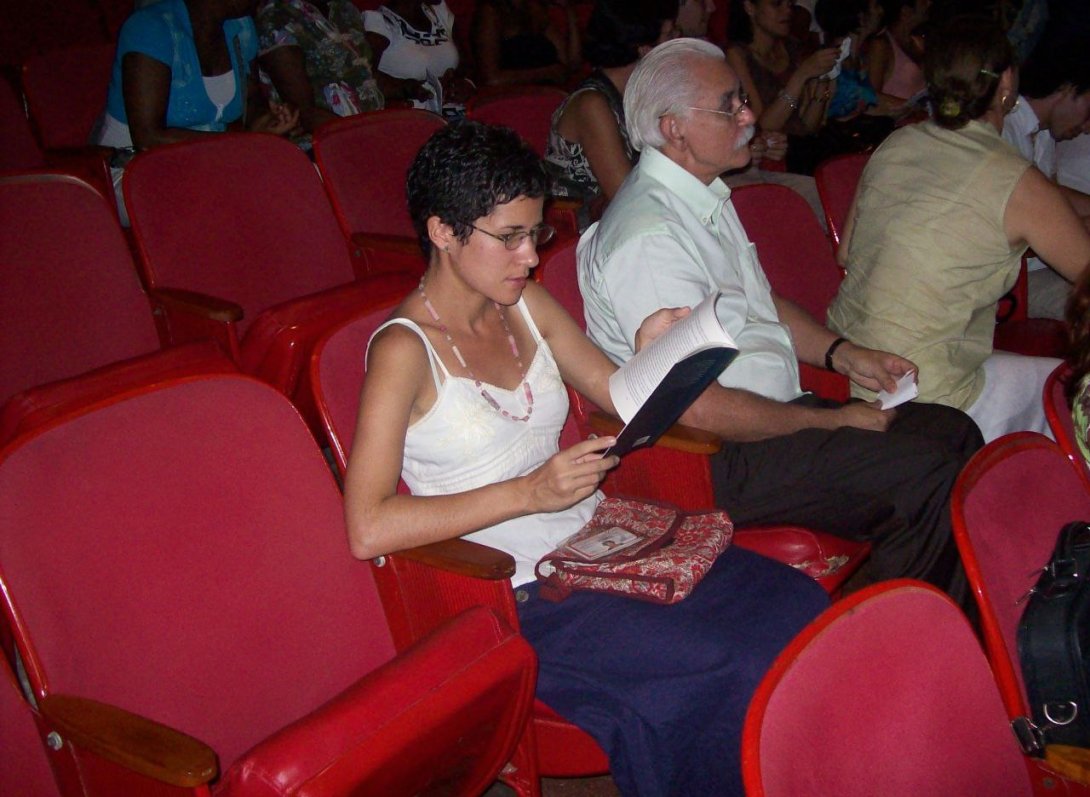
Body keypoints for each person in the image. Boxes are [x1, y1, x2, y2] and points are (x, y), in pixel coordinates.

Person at [343, 120, 828, 797]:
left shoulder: (526, 305)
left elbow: (618, 393)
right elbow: (368, 526)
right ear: (444, 232)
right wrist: (528, 493)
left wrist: (653, 343)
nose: (530, 258)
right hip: (515, 589)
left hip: (599, 542)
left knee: (792, 601)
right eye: (508, 236)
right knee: (724, 662)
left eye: (534, 234)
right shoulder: (402, 351)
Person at [579, 37, 984, 612]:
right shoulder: (650, 236)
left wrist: (845, 354)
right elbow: (699, 407)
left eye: (743, 100)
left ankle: (946, 615)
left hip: (765, 420)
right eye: (730, 105)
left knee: (952, 433)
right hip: (710, 456)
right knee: (924, 478)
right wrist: (830, 422)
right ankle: (895, 640)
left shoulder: (701, 200)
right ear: (674, 129)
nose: (749, 116)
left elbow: (760, 305)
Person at [827, 17, 1090, 442]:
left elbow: (845, 254)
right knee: (1061, 394)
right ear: (1006, 81)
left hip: (845, 363)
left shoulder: (897, 143)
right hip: (924, 391)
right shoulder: (1017, 180)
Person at [96, 0, 298, 151]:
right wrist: (241, 142)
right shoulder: (150, 28)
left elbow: (251, 99)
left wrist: (265, 122)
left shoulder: (241, 27)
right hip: (136, 167)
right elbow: (149, 138)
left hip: (211, 160)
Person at [543, 0, 679, 210]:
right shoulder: (591, 104)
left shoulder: (644, 93)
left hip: (634, 216)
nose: (678, 42)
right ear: (644, 49)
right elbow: (627, 198)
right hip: (586, 228)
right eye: (669, 35)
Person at [1001, 46, 1090, 320]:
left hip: (1042, 267)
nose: (1087, 127)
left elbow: (1054, 197)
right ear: (1066, 90)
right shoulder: (1006, 127)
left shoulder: (1042, 132)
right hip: (1018, 282)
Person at [725, 0, 841, 174]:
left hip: (801, 150)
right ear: (750, 7)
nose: (787, 10)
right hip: (767, 157)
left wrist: (823, 85)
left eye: (789, 4)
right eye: (777, 4)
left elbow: (808, 126)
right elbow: (762, 124)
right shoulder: (738, 55)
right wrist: (801, 75)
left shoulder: (793, 48)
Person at [256, 0, 387, 135]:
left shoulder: (343, 8)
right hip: (324, 142)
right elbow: (303, 113)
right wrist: (366, 139)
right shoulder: (276, 17)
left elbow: (364, 78)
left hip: (371, 127)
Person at [362, 0, 471, 115]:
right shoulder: (378, 23)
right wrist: (409, 89)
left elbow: (467, 64)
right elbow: (365, 79)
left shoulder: (440, 12)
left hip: (457, 114)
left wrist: (464, 83)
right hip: (413, 118)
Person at [470, 0, 580, 87]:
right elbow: (491, 78)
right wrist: (546, 73)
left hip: (549, 93)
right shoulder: (490, 12)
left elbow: (570, 64)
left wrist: (570, 12)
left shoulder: (534, 9)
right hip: (513, 97)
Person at [865, 0, 928, 105]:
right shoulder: (881, 45)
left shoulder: (918, 42)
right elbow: (871, 96)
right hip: (898, 118)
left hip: (921, 116)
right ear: (906, 11)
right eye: (923, 2)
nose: (929, 4)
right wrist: (913, 107)